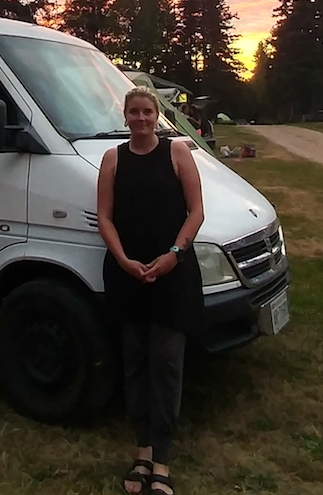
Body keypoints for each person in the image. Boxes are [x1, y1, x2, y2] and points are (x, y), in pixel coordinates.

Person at [97, 86, 205, 495]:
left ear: (156, 116)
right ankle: (142, 452)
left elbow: (196, 211)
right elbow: (105, 217)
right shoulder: (113, 159)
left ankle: (161, 458)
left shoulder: (177, 152)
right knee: (135, 365)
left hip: (171, 275)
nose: (140, 119)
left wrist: (175, 254)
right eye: (134, 112)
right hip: (128, 275)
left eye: (147, 112)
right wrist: (124, 260)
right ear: (124, 116)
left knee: (166, 365)